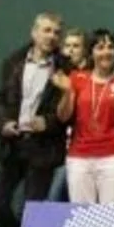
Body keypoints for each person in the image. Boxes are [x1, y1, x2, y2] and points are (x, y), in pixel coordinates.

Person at [0, 12, 69, 227]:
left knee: (30, 215)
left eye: (56, 32)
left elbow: (69, 111)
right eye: (47, 30)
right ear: (34, 32)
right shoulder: (13, 61)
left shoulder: (66, 68)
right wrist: (4, 123)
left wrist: (48, 122)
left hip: (43, 150)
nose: (52, 36)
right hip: (12, 146)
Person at [54, 29, 114, 204]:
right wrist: (67, 92)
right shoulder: (77, 78)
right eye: (100, 47)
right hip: (79, 157)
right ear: (91, 53)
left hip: (112, 157)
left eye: (111, 47)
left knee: (111, 215)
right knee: (83, 215)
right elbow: (63, 116)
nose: (106, 52)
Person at [47, 28, 88, 203]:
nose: (70, 50)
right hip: (53, 150)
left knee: (56, 201)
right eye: (67, 46)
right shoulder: (55, 75)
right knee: (43, 204)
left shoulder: (92, 76)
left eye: (76, 46)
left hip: (80, 151)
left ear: (85, 51)